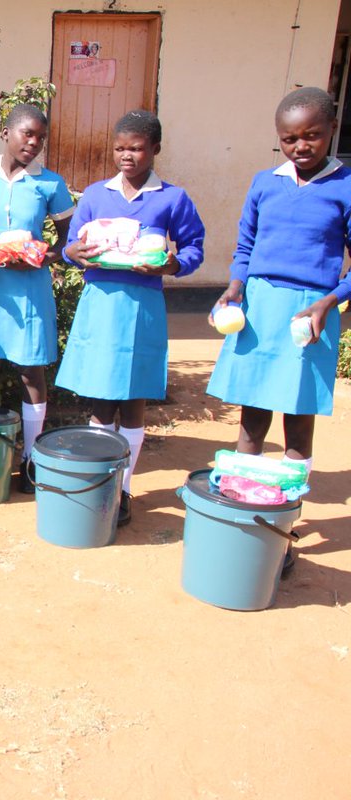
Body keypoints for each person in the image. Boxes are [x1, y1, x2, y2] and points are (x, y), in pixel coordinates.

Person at [206, 87, 350, 571]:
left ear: (331, 129)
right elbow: (245, 245)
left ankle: (284, 531)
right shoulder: (265, 183)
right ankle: (244, 520)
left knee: (298, 419)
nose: (301, 146)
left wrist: (330, 302)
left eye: (312, 135)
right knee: (252, 415)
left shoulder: (346, 185)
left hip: (311, 314)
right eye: (289, 138)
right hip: (261, 308)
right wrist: (234, 288)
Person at [59, 110, 205, 526]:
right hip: (101, 302)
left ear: (155, 149)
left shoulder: (172, 198)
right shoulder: (94, 194)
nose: (128, 156)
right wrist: (74, 254)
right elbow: (72, 245)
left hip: (142, 306)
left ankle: (123, 488)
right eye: (121, 147)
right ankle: (100, 483)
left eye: (137, 148)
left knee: (134, 398)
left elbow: (194, 248)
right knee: (101, 396)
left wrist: (172, 265)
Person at [0, 104, 74, 493]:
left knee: (30, 369)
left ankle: (31, 459)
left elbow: (68, 242)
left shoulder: (50, 184)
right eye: (27, 134)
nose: (34, 142)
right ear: (6, 134)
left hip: (28, 288)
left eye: (40, 136)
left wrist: (42, 256)